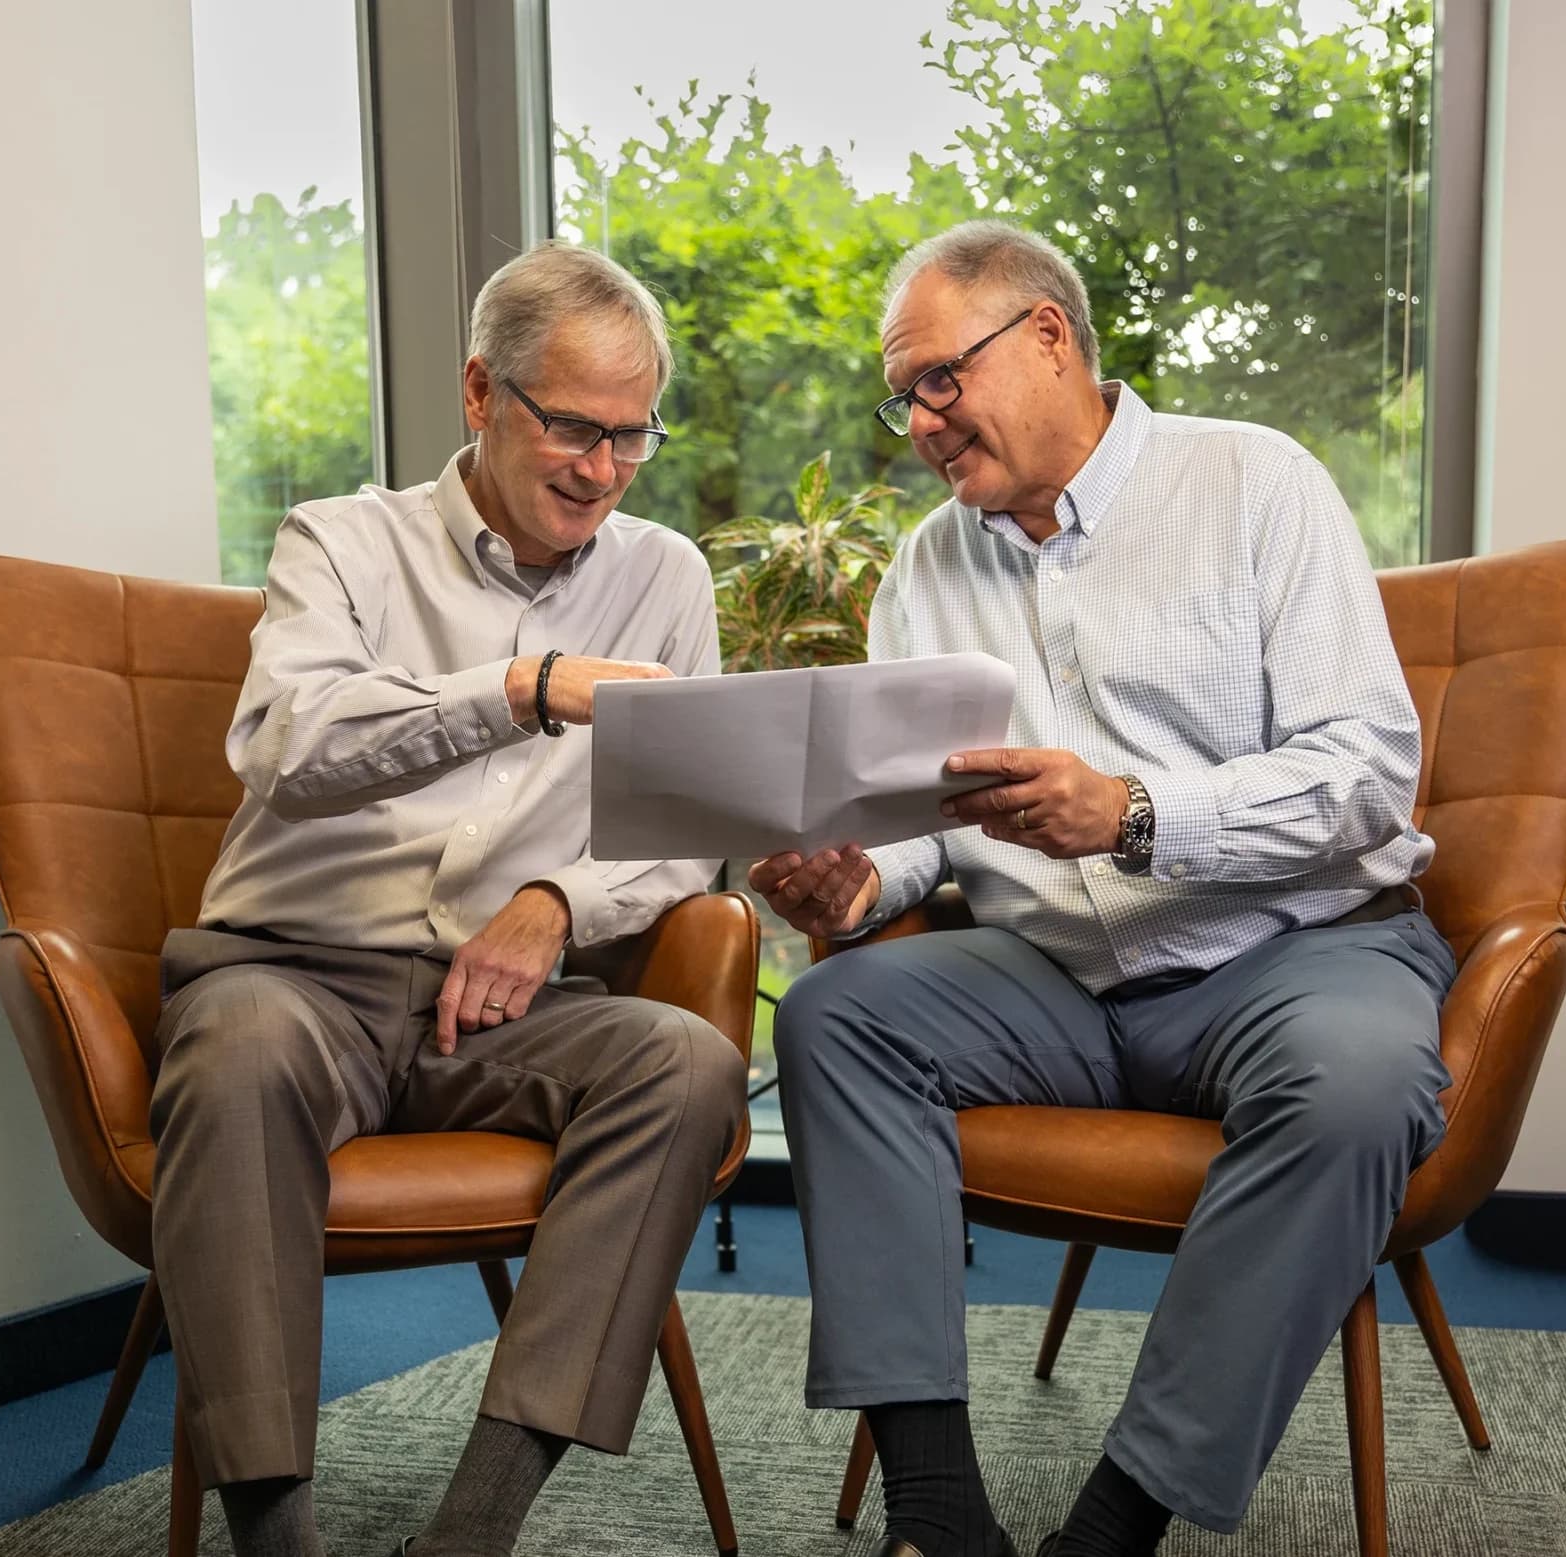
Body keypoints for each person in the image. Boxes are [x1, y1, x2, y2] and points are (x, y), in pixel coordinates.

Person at [752, 220, 1454, 1557]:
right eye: (902, 399)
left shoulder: (1255, 484)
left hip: (1296, 951)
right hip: (1055, 980)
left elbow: (1367, 776)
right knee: (836, 1017)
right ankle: (937, 1516)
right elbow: (927, 819)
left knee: (1358, 1086)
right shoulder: (925, 565)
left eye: (939, 380)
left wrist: (1133, 812)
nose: (921, 423)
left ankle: (1112, 1529)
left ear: (1048, 336)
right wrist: (854, 883)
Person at [149, 241, 746, 1557]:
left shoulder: (667, 577)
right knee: (237, 1051)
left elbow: (686, 830)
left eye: (632, 436)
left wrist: (553, 902)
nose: (603, 470)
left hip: (507, 1003)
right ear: (482, 392)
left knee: (687, 1062)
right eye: (575, 428)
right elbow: (286, 745)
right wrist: (522, 689)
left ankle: (472, 1531)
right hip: (291, 975)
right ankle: (276, 1532)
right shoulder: (342, 542)